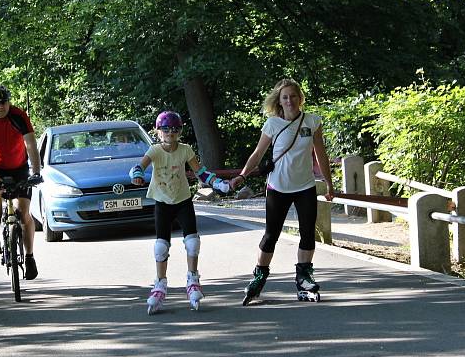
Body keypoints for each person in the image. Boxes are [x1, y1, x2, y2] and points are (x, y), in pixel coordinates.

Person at [229, 78, 334, 303]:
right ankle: (259, 276)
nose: (290, 101)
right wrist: (242, 175)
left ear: (300, 98)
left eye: (293, 96)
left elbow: (320, 154)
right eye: (285, 97)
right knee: (271, 236)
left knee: (308, 233)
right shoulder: (273, 124)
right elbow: (257, 154)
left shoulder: (312, 121)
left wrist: (329, 182)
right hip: (277, 187)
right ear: (279, 100)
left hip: (305, 186)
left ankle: (304, 278)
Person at [130, 111, 231, 314]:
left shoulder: (185, 150)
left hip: (183, 200)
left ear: (180, 132)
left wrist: (217, 182)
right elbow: (138, 167)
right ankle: (159, 284)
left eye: (175, 129)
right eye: (165, 129)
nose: (170, 133)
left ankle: (193, 279)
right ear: (158, 132)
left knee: (192, 242)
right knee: (160, 246)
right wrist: (137, 174)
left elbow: (200, 171)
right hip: (162, 201)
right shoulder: (155, 150)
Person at [0, 85, 42, 279]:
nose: (0, 107)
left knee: (23, 211)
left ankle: (29, 257)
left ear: (9, 102)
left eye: (3, 102)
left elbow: (31, 145)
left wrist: (36, 172)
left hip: (19, 167)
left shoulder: (19, 116)